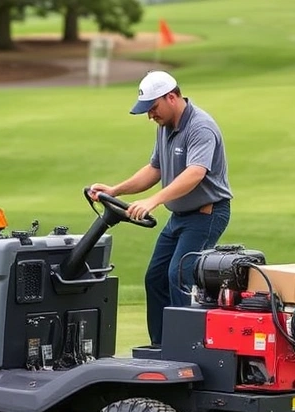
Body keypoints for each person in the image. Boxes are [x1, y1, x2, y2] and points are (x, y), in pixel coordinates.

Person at [89, 70, 232, 348]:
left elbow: (195, 174)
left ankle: (188, 349)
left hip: (207, 214)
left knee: (179, 275)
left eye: (153, 108)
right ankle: (162, 346)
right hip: (180, 217)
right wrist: (115, 190)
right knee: (155, 277)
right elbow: (155, 169)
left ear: (172, 97)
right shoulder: (164, 126)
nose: (150, 115)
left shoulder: (200, 127)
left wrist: (153, 201)